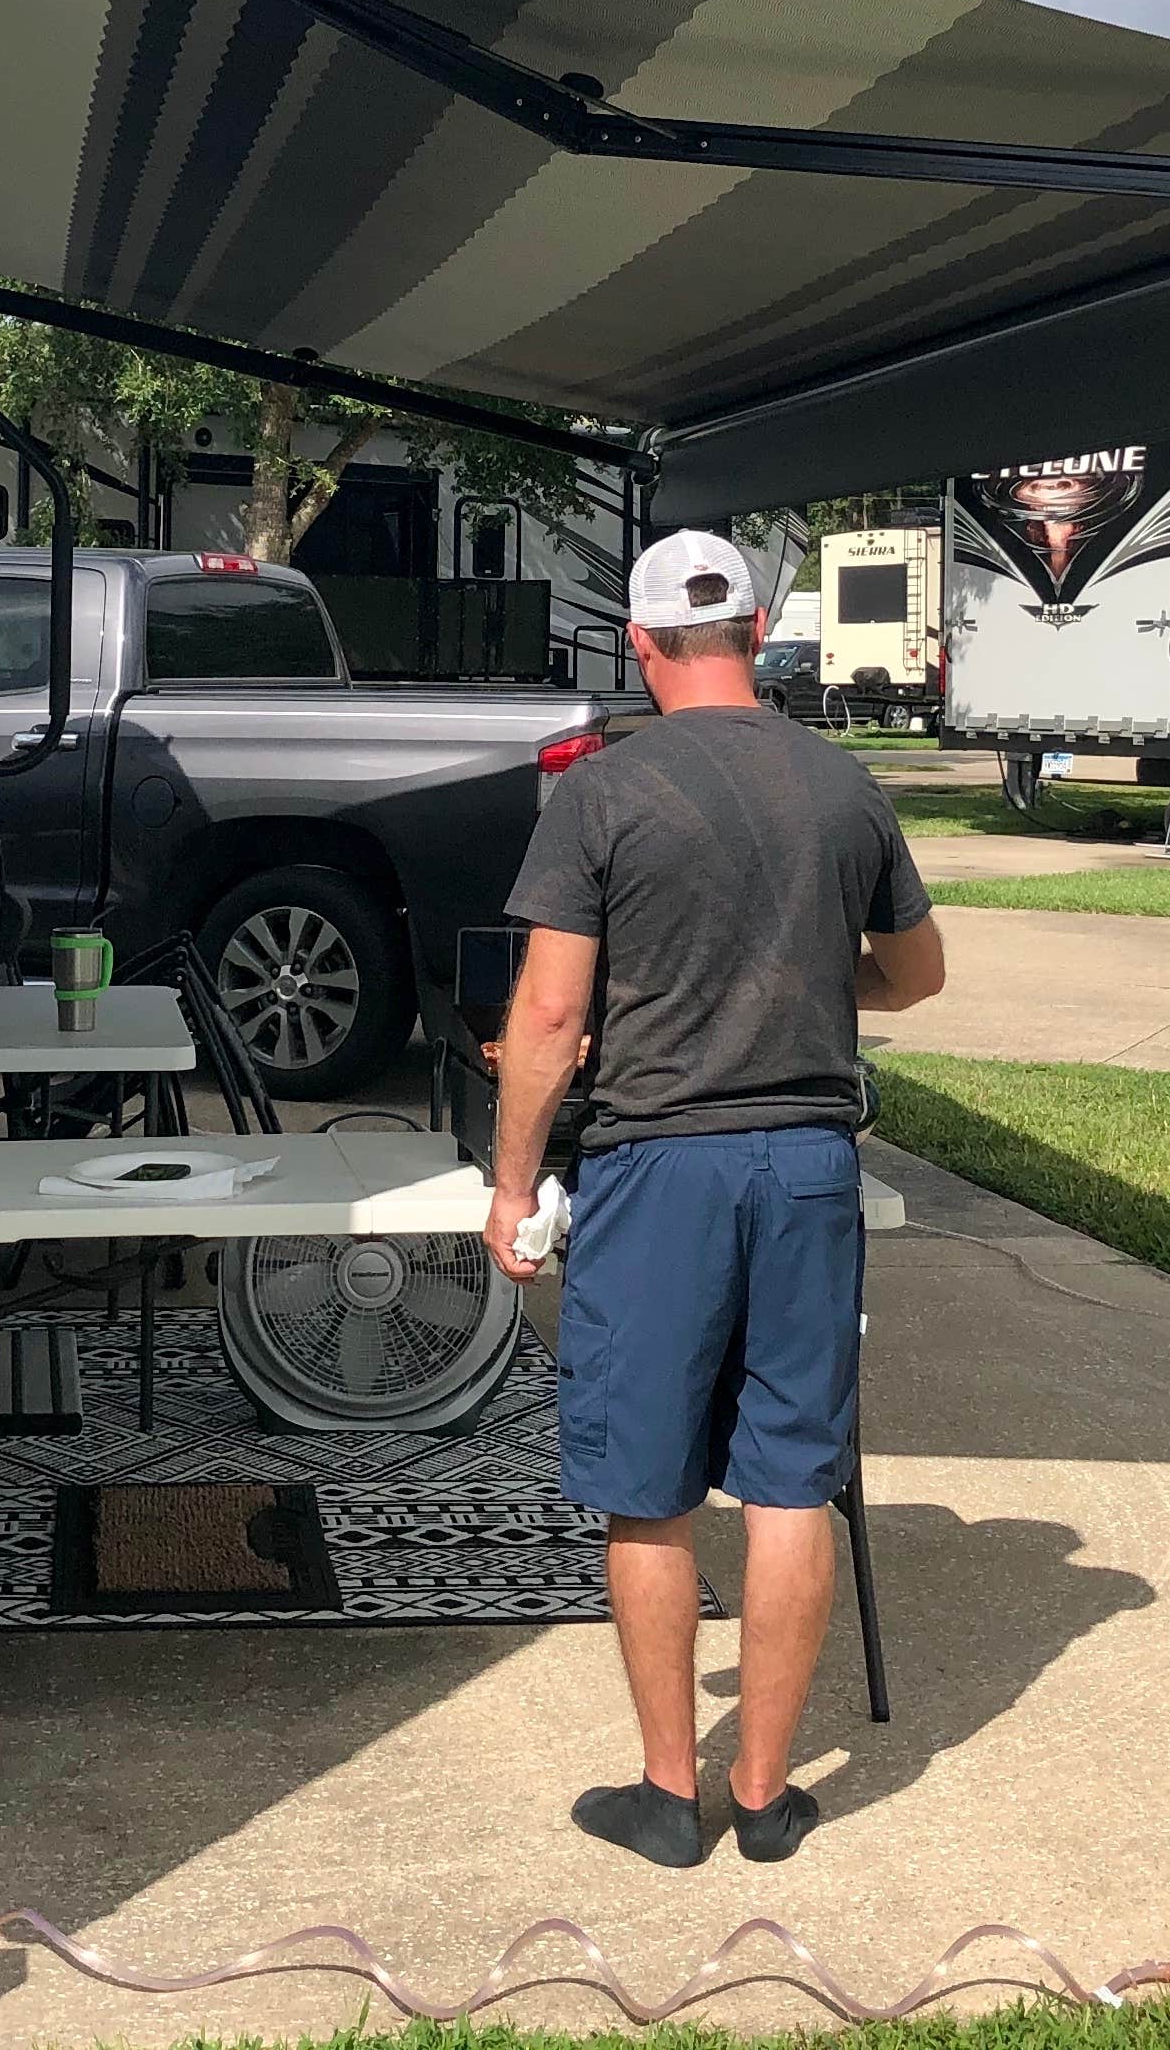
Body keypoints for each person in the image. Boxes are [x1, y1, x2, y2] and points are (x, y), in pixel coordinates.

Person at [483, 527, 949, 1869]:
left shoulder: (604, 795)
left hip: (658, 1163)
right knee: (794, 1479)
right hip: (808, 1163)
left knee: (651, 1491)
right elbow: (914, 975)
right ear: (753, 630)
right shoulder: (845, 783)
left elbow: (555, 1009)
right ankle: (762, 1799)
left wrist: (514, 1185)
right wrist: (812, 986)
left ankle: (665, 1797)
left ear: (639, 643)